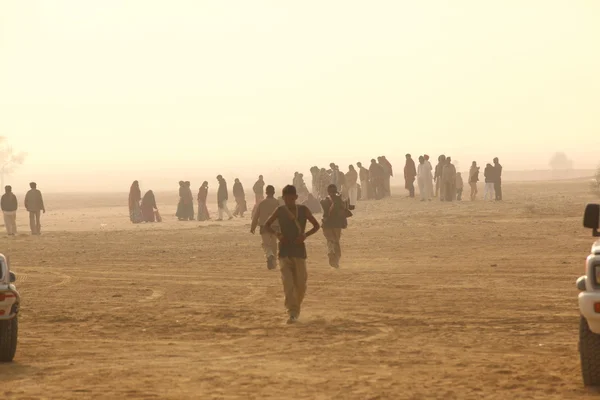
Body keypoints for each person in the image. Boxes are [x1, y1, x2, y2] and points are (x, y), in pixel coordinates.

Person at [264, 185, 320, 324]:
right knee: (288, 284)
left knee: (301, 284)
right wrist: (278, 234)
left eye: (291, 198)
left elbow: (316, 225)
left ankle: (296, 309)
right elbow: (267, 225)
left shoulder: (303, 210)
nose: (289, 201)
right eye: (286, 198)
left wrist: (305, 236)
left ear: (295, 197)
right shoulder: (280, 210)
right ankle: (292, 312)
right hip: (284, 252)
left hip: (299, 252)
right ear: (283, 199)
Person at [251, 185, 280, 270]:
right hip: (275, 227)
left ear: (266, 192)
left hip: (264, 226)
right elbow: (281, 216)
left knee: (266, 244)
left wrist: (253, 227)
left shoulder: (262, 203)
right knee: (274, 244)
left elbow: (256, 216)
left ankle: (269, 255)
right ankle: (273, 263)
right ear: (274, 192)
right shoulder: (277, 203)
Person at [320, 184, 349, 269]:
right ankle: (335, 260)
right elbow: (345, 209)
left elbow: (323, 213)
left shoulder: (323, 201)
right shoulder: (339, 200)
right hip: (337, 224)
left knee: (330, 240)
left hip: (326, 224)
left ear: (328, 191)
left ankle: (330, 251)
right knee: (336, 241)